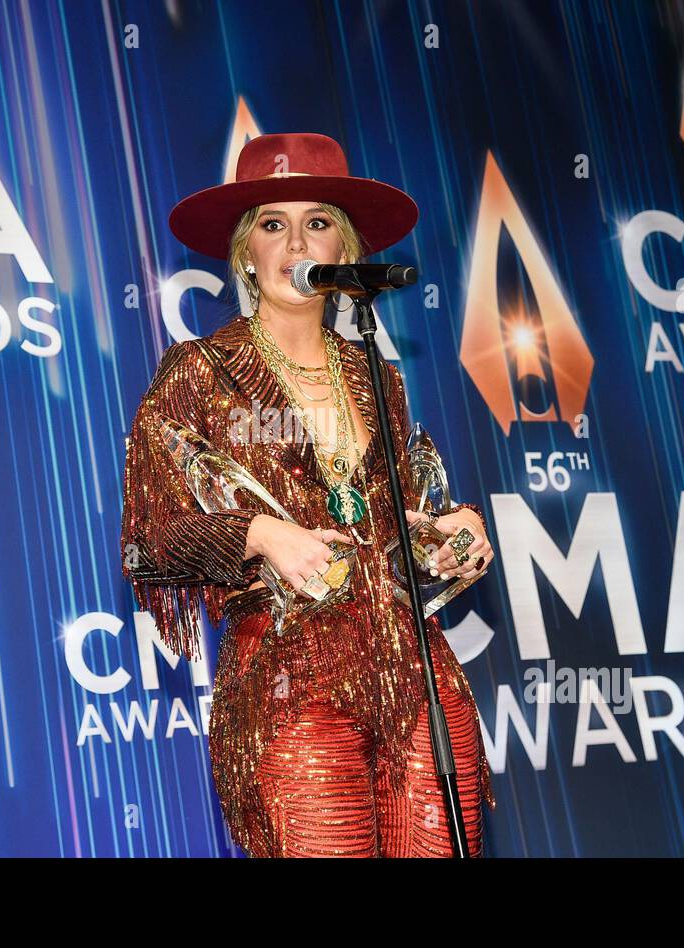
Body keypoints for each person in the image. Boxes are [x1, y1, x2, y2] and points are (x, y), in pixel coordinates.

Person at [120, 132, 497, 857]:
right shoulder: (200, 372)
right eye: (272, 223)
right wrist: (260, 535)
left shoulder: (377, 377)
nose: (296, 240)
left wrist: (452, 530)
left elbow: (391, 523)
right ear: (244, 251)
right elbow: (149, 542)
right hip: (290, 685)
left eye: (318, 222)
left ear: (344, 249)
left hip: (415, 671)